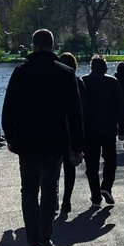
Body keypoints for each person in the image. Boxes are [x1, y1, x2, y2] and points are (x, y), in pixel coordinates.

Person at [2, 28, 84, 246]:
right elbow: (75, 114)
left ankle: (33, 241)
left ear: (34, 46)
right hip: (55, 142)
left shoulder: (20, 73)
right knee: (50, 188)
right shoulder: (66, 73)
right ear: (53, 45)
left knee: (28, 190)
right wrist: (77, 146)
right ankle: (45, 238)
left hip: (27, 142)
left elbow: (9, 110)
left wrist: (11, 138)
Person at [82, 56, 124, 204]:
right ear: (105, 68)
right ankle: (106, 186)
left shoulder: (83, 82)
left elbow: (79, 108)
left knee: (91, 164)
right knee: (110, 159)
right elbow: (121, 107)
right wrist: (123, 130)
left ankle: (95, 194)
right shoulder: (112, 82)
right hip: (108, 126)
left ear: (91, 67)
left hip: (89, 128)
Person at [57, 52, 86, 216]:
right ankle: (66, 200)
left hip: (56, 130)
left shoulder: (53, 82)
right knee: (70, 168)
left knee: (53, 167)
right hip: (72, 131)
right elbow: (82, 110)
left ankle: (53, 197)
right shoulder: (78, 82)